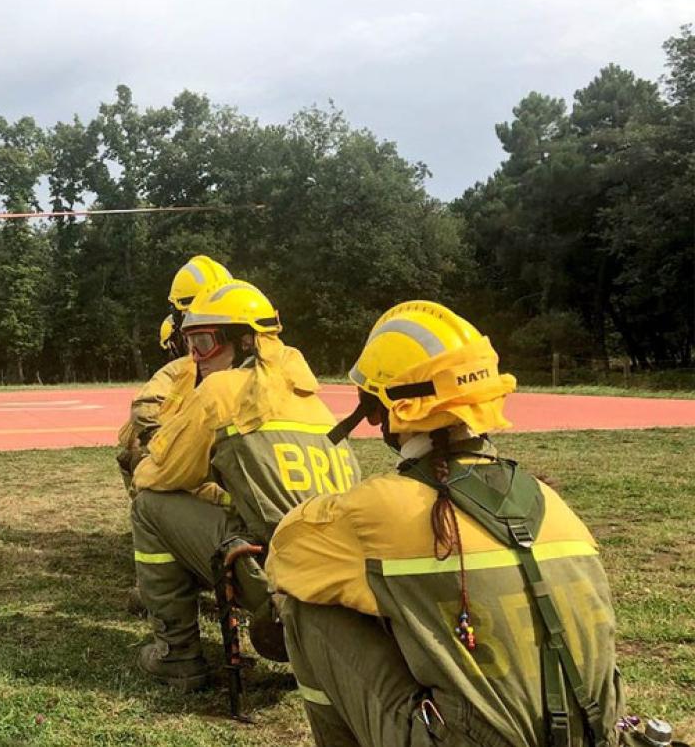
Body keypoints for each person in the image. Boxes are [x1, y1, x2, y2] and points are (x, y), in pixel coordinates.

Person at [267, 300, 624, 746]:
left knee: (307, 608)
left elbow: (286, 557)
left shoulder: (378, 510)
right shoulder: (554, 503)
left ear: (383, 409)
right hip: (593, 735)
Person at [130, 280, 360, 690]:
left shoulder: (222, 389)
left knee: (148, 504)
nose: (197, 358)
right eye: (191, 344)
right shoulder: (313, 401)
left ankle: (177, 655)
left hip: (277, 581)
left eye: (205, 343)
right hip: (339, 583)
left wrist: (153, 467)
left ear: (246, 342)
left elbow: (163, 474)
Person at [116, 255, 232, 497]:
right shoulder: (275, 359)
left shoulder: (187, 367)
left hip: (217, 474)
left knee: (132, 447)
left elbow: (144, 410)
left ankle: (155, 517)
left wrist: (166, 448)